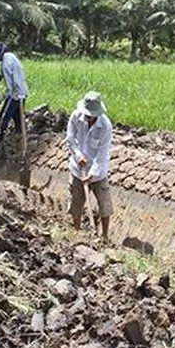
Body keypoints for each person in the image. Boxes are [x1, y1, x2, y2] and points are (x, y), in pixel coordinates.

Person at [66, 91, 114, 240]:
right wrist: (78, 155)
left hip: (98, 173)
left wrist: (92, 174)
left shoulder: (105, 126)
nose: (88, 117)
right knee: (76, 204)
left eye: (91, 115)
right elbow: (71, 138)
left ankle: (104, 236)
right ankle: (77, 232)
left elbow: (102, 154)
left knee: (104, 205)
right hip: (77, 169)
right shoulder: (75, 117)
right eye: (87, 114)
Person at [0, 42, 29, 144]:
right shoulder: (10, 57)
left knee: (4, 116)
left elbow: (11, 86)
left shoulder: (5, 64)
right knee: (17, 116)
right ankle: (19, 134)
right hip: (23, 91)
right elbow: (13, 71)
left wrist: (1, 98)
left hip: (16, 94)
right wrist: (1, 75)